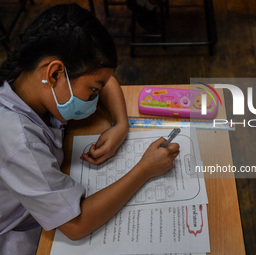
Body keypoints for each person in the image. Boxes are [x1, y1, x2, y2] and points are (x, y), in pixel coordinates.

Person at [0, 4, 179, 255]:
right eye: (93, 91)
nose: (96, 96)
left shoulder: (29, 77)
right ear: (54, 74)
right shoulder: (19, 143)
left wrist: (120, 124)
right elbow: (76, 224)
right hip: (19, 230)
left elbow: (107, 81)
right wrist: (145, 169)